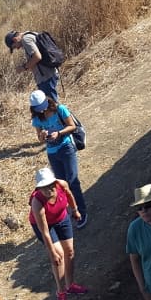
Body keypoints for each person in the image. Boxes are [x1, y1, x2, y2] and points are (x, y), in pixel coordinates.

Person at [29, 168, 86, 300]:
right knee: (59, 256)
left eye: (50, 185)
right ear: (39, 188)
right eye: (43, 188)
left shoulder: (62, 184)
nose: (48, 190)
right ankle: (61, 292)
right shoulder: (37, 203)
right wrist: (52, 252)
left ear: (55, 182)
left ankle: (70, 285)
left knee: (70, 251)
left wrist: (75, 210)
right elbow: (45, 232)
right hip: (45, 226)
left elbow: (70, 196)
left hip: (62, 218)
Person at [30, 91, 88, 229]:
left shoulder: (60, 109)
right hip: (52, 153)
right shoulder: (36, 119)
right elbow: (39, 138)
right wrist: (43, 136)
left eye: (43, 106)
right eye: (39, 108)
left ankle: (81, 211)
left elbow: (72, 126)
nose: (42, 110)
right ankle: (67, 211)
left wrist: (59, 133)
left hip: (66, 147)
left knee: (73, 181)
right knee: (60, 185)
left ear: (47, 101)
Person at [5, 29, 60, 101]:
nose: (17, 48)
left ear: (15, 39)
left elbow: (37, 57)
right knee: (50, 104)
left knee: (52, 105)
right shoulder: (31, 34)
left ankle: (63, 112)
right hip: (49, 74)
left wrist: (23, 68)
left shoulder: (26, 40)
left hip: (46, 77)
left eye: (15, 46)